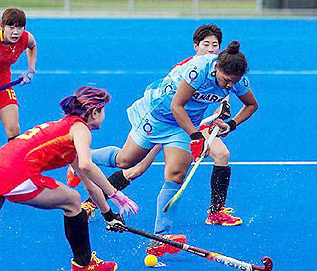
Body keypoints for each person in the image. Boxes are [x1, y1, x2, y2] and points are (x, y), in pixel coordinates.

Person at [89, 40, 258, 257]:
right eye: (226, 80)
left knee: (176, 175)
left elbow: (251, 105)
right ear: (217, 68)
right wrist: (196, 136)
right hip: (159, 114)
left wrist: (231, 124)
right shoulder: (199, 70)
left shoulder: (237, 80)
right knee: (125, 161)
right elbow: (176, 106)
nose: (228, 86)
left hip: (185, 123)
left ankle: (161, 237)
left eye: (232, 83)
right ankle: (80, 157)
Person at [72, 24, 242, 226]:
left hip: (190, 124)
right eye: (206, 45)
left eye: (215, 45)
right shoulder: (192, 68)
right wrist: (196, 134)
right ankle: (83, 170)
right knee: (133, 166)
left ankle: (213, 213)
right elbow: (178, 102)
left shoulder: (224, 69)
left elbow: (222, 96)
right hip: (164, 117)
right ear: (196, 46)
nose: (211, 49)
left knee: (219, 155)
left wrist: (222, 117)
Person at [0, 86, 138, 271]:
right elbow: (87, 165)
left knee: (73, 199)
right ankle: (84, 264)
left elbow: (89, 183)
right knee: (72, 200)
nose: (104, 116)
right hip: (16, 174)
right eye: (103, 111)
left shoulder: (66, 129)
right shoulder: (80, 129)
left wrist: (109, 215)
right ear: (94, 112)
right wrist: (117, 195)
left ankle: (84, 264)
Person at [0, 8, 37, 141]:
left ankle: (12, 162)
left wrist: (31, 69)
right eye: (11, 27)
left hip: (3, 84)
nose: (16, 32)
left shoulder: (25, 38)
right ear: (1, 26)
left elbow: (33, 46)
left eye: (19, 27)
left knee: (14, 129)